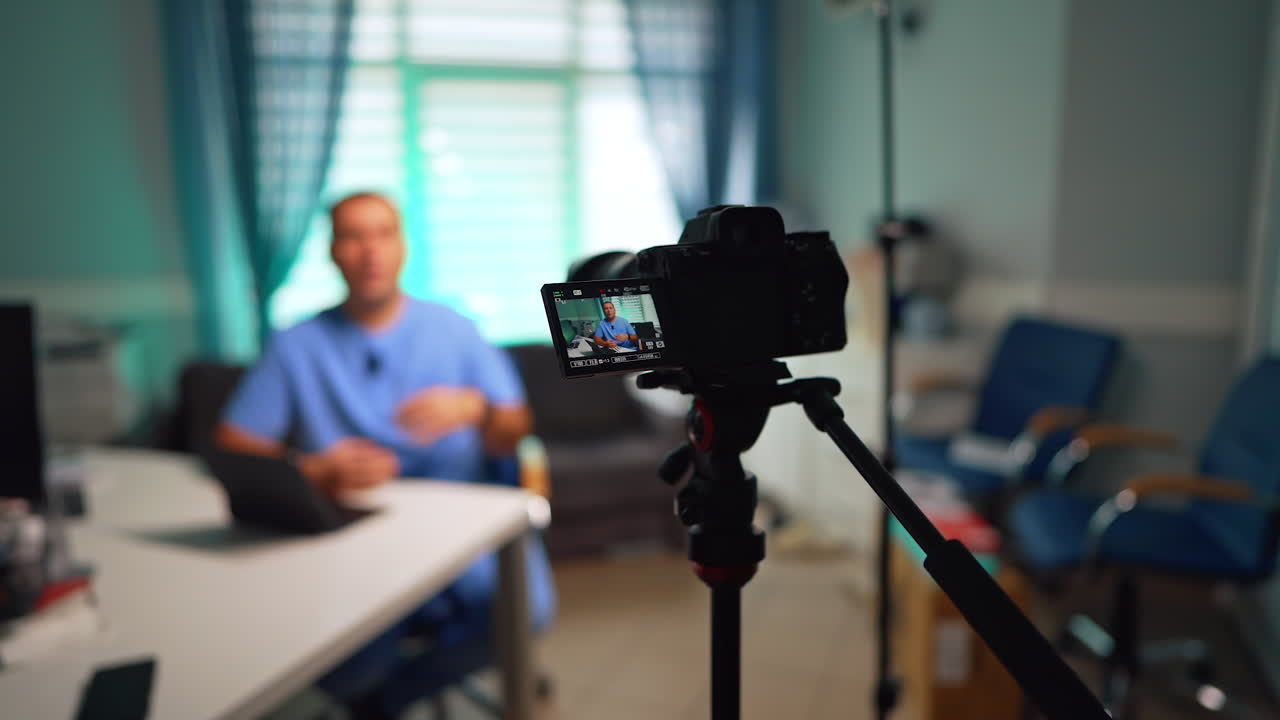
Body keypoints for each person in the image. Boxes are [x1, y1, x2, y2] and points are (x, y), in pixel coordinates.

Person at [215, 192, 554, 718]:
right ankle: (372, 689)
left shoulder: (454, 329)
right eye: (353, 236)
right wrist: (310, 469)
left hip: (462, 525)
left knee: (527, 612)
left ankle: (389, 700)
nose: (369, 250)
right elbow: (234, 444)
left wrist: (477, 409)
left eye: (383, 234)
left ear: (402, 247)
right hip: (354, 531)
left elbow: (516, 424)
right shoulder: (296, 345)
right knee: (345, 666)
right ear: (332, 252)